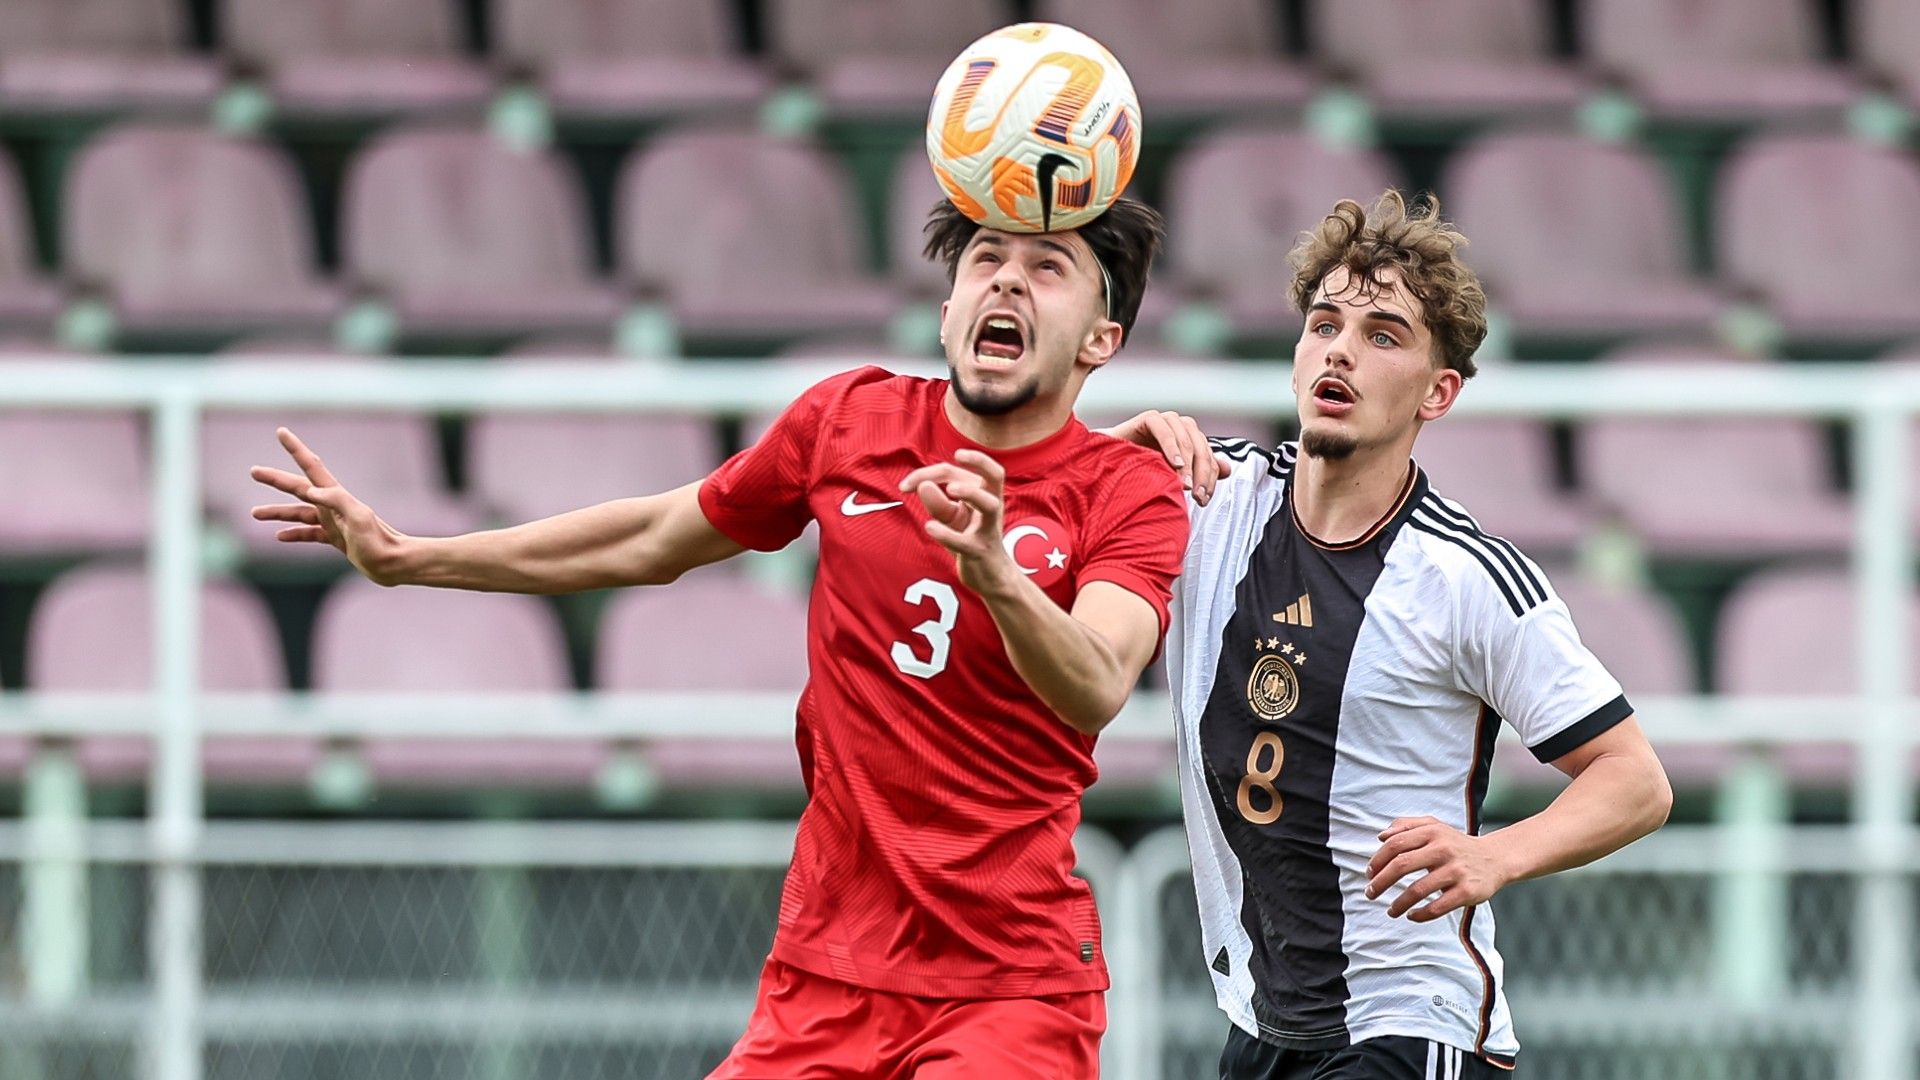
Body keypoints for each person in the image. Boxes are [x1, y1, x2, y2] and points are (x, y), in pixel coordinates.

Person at [250, 198, 1187, 1078]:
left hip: (1011, 989)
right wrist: (411, 556)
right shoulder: (849, 421)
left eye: (1049, 266)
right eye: (987, 258)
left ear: (1101, 341)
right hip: (827, 971)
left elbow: (1097, 678)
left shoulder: (1125, 489)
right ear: (947, 309)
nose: (1008, 282)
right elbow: (654, 535)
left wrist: (994, 574)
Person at [1109, 191, 1672, 1078]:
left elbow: (1636, 780)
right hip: (1261, 1019)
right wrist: (1095, 460)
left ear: (1437, 393)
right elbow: (1010, 541)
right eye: (1324, 323)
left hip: (1410, 1022)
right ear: (1297, 360)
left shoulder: (1468, 578)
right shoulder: (1207, 501)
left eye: (1382, 335)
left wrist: (1495, 855)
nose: (1340, 347)